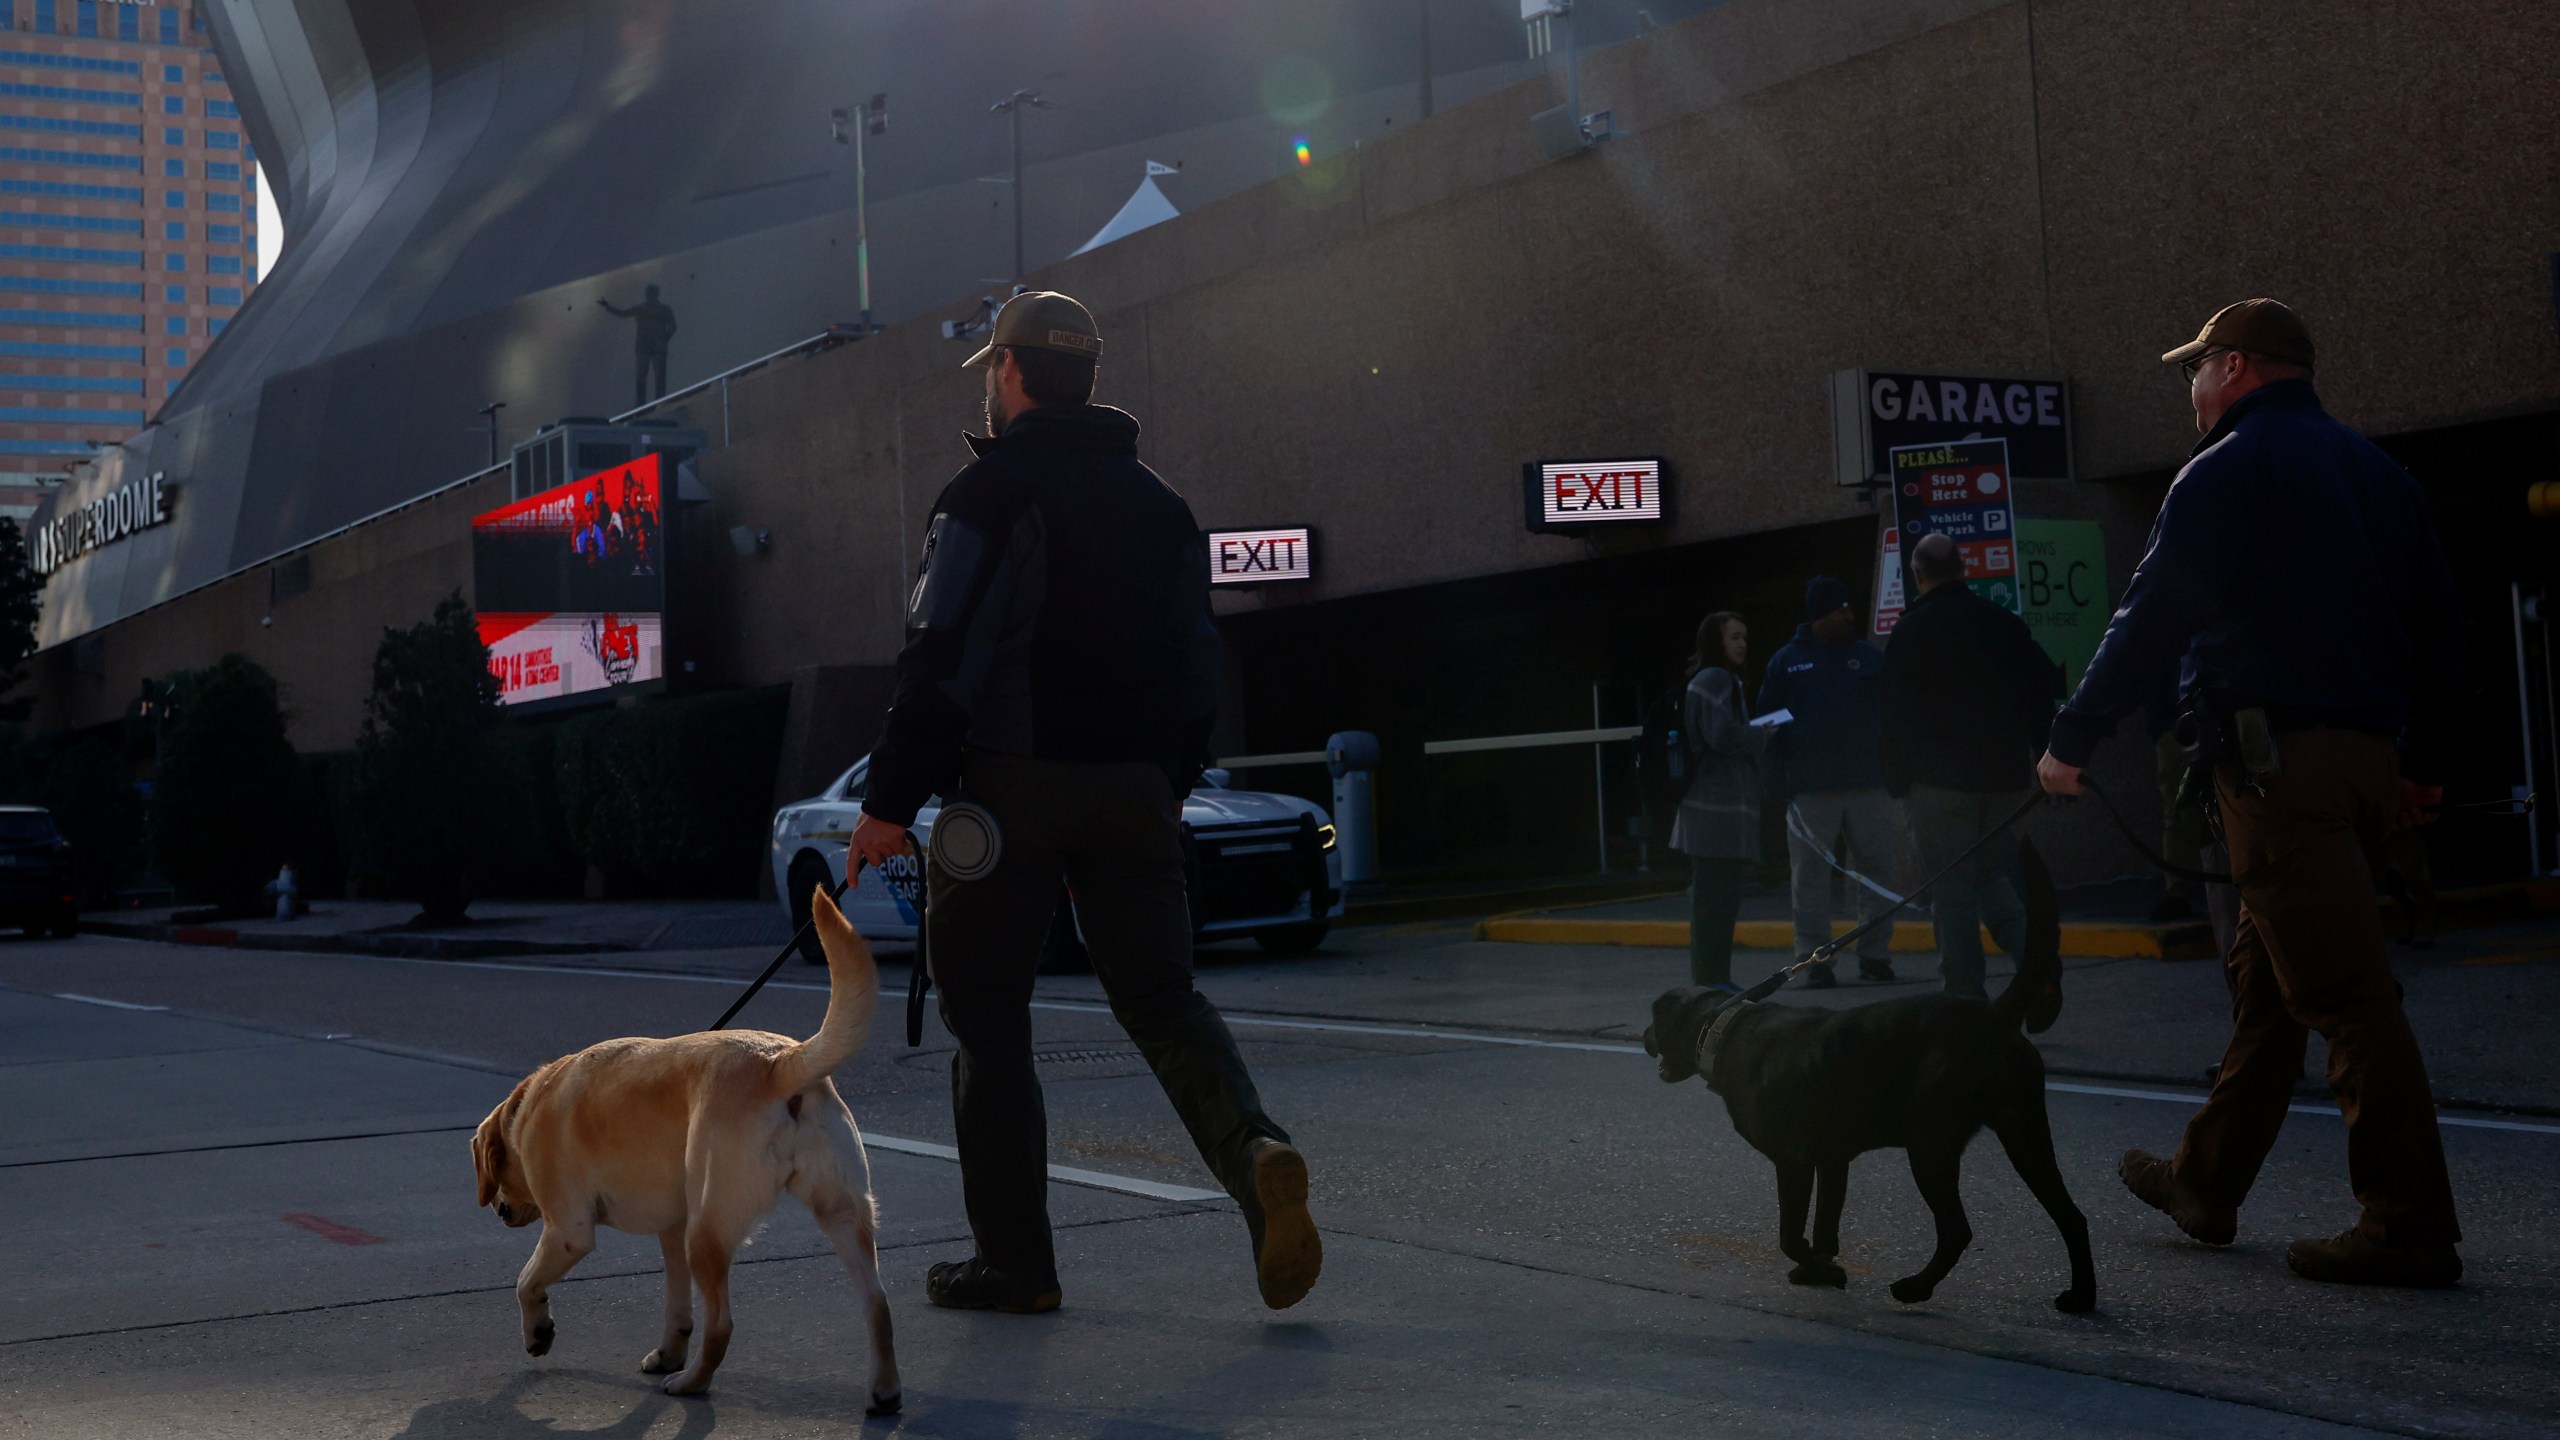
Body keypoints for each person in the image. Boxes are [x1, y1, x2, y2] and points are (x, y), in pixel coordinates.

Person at [847, 291, 1321, 1315]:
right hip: (1138, 794)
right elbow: (1201, 665)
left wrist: (888, 798)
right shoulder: (1160, 503)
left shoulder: (986, 496)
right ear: (1088, 378)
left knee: (989, 1018)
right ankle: (1257, 1155)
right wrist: (1168, 775)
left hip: (1010, 790)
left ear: (1010, 374)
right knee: (1161, 1000)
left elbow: (942, 655)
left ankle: (1016, 1263)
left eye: (990, 369)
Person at [2036, 298, 2465, 1287]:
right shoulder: (2382, 476)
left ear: (2232, 367)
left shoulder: (2224, 470)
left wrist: (2071, 738)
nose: (2188, 387)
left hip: (2278, 774)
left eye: (2194, 368)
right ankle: (2204, 1181)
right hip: (2361, 765)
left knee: (2348, 998)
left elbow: (2152, 615)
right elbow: (2442, 634)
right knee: (2275, 985)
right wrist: (2423, 766)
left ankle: (2406, 1225)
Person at [1876, 531, 2062, 999]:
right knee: (1988, 872)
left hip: (1938, 784)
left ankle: (1964, 999)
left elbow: (1893, 715)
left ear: (1917, 576)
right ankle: (2037, 968)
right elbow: (2043, 692)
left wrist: (1897, 780)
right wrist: (2044, 757)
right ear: (1964, 569)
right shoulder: (2002, 623)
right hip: (2002, 779)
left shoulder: (1910, 631)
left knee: (1952, 889)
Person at [1760, 576, 1898, 988]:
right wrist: (1775, 778)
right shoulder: (1786, 662)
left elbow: (1891, 715)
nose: (1848, 616)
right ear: (1818, 614)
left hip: (1868, 784)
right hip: (1810, 788)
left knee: (1876, 872)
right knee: (1810, 879)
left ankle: (1875, 956)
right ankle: (1814, 960)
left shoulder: (1868, 657)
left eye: (1849, 608)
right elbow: (1767, 723)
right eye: (1839, 610)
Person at [1670, 610, 1770, 993]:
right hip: (1714, 813)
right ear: (1716, 641)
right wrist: (1760, 734)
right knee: (1715, 902)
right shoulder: (1715, 679)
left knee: (1717, 901)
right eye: (1733, 637)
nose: (1742, 643)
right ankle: (1711, 980)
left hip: (1714, 812)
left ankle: (1713, 977)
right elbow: (1722, 736)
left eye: (1744, 636)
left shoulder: (1716, 680)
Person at [598, 284, 678, 406]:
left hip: (645, 348)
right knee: (657, 378)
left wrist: (608, 307)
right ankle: (657, 405)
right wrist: (664, 339)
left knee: (643, 377)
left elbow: (623, 314)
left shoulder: (643, 309)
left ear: (648, 294)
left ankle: (642, 406)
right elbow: (673, 327)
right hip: (654, 347)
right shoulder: (664, 309)